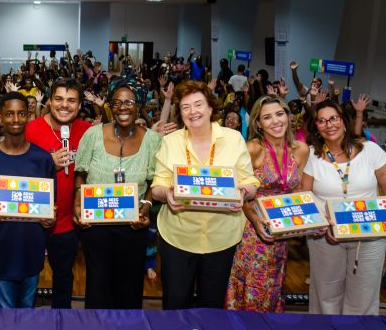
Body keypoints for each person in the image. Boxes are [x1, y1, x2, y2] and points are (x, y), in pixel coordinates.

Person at [151, 80, 259, 310]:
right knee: (176, 303)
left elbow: (250, 182)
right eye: (186, 107)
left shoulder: (233, 139)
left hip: (222, 238)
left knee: (212, 306)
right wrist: (166, 194)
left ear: (211, 107)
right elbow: (157, 185)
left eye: (199, 104)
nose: (193, 112)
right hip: (178, 237)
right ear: (180, 113)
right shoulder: (170, 142)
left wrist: (243, 193)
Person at [73, 71, 161, 309]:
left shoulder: (153, 140)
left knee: (130, 287)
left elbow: (155, 181)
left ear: (138, 105)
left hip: (133, 226)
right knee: (98, 286)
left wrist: (147, 205)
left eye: (129, 102)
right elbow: (80, 174)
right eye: (117, 102)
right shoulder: (92, 135)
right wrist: (78, 205)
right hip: (96, 227)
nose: (123, 107)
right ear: (110, 105)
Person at [301, 100, 386, 315]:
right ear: (316, 127)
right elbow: (304, 196)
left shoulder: (370, 151)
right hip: (324, 235)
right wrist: (321, 223)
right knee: (325, 294)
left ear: (344, 121)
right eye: (321, 121)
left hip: (368, 237)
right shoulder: (312, 156)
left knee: (363, 296)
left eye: (333, 118)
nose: (328, 124)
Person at [225, 95, 310, 312]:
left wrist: (309, 218)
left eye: (279, 114)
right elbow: (239, 193)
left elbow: (297, 191)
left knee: (273, 288)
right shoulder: (252, 149)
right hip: (251, 231)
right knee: (253, 290)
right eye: (267, 117)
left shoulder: (301, 149)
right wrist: (256, 220)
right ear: (258, 123)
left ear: (288, 116)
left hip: (282, 232)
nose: (276, 121)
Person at [0, 92, 56, 308]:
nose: (16, 119)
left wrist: (49, 217)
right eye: (9, 114)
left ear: (29, 116)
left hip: (32, 248)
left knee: (27, 312)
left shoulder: (42, 159)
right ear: (0, 118)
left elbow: (48, 200)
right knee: (4, 316)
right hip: (2, 248)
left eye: (21, 113)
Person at [25, 78, 91, 308]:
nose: (65, 105)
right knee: (28, 277)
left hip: (67, 222)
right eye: (59, 99)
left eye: (71, 100)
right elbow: (17, 173)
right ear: (50, 101)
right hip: (33, 220)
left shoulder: (88, 131)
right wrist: (47, 163)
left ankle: (61, 319)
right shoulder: (31, 130)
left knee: (63, 276)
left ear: (80, 104)